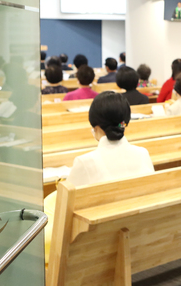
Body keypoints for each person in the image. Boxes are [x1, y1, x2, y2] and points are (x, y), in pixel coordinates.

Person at [44, 91, 154, 264]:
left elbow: (65, 210)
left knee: (49, 205)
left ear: (95, 126)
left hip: (96, 244)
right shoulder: (143, 154)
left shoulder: (85, 162)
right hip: (140, 234)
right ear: (125, 122)